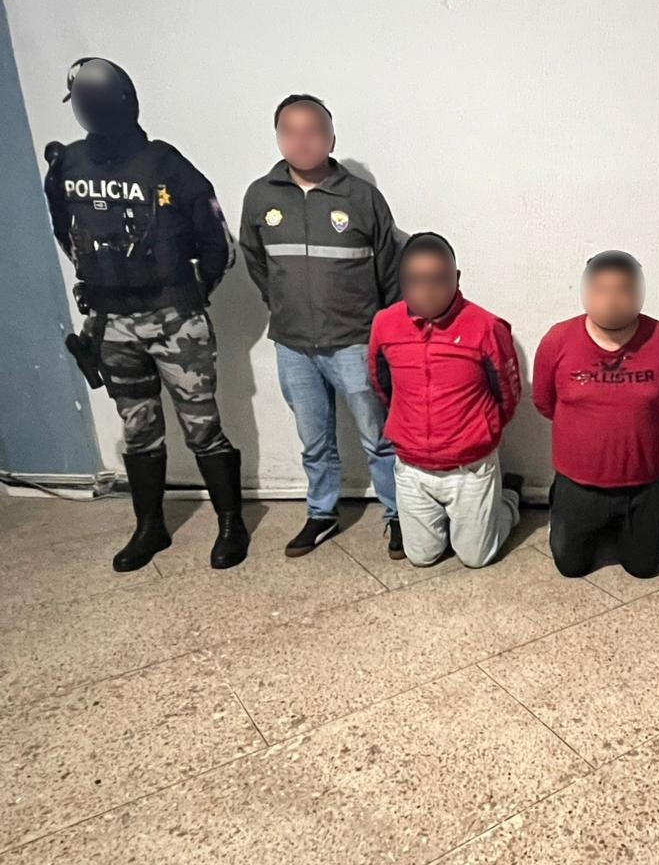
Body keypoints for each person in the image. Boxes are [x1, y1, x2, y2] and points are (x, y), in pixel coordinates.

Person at [43, 57, 248, 572]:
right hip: (110, 324)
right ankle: (149, 527)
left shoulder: (166, 164)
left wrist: (185, 294)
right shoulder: (67, 165)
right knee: (138, 429)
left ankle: (231, 525)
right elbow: (66, 232)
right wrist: (107, 287)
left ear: (124, 100)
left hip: (174, 319)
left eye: (96, 99)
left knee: (202, 427)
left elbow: (218, 244)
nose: (90, 110)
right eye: (82, 101)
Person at [240, 95, 402, 559]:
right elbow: (256, 263)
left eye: (312, 131)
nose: (302, 140)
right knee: (314, 441)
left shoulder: (361, 197)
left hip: (355, 342)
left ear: (331, 138)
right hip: (293, 344)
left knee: (380, 438)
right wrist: (283, 306)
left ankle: (398, 516)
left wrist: (382, 332)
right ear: (278, 137)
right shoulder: (261, 196)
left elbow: (390, 270)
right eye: (290, 131)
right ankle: (321, 513)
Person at [367, 233, 523, 568]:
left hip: (470, 467)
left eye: (438, 280)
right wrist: (406, 424)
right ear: (401, 282)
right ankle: (460, 521)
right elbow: (381, 384)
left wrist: (481, 433)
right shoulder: (385, 324)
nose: (427, 290)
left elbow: (508, 393)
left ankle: (508, 499)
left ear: (457, 278)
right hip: (412, 466)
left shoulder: (486, 327)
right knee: (422, 557)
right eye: (416, 281)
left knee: (476, 557)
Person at [533, 251, 659, 578]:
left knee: (644, 569)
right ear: (587, 292)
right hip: (577, 485)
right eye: (602, 290)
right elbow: (545, 402)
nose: (612, 300)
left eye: (623, 290)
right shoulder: (558, 339)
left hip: (643, 486)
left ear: (639, 293)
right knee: (570, 568)